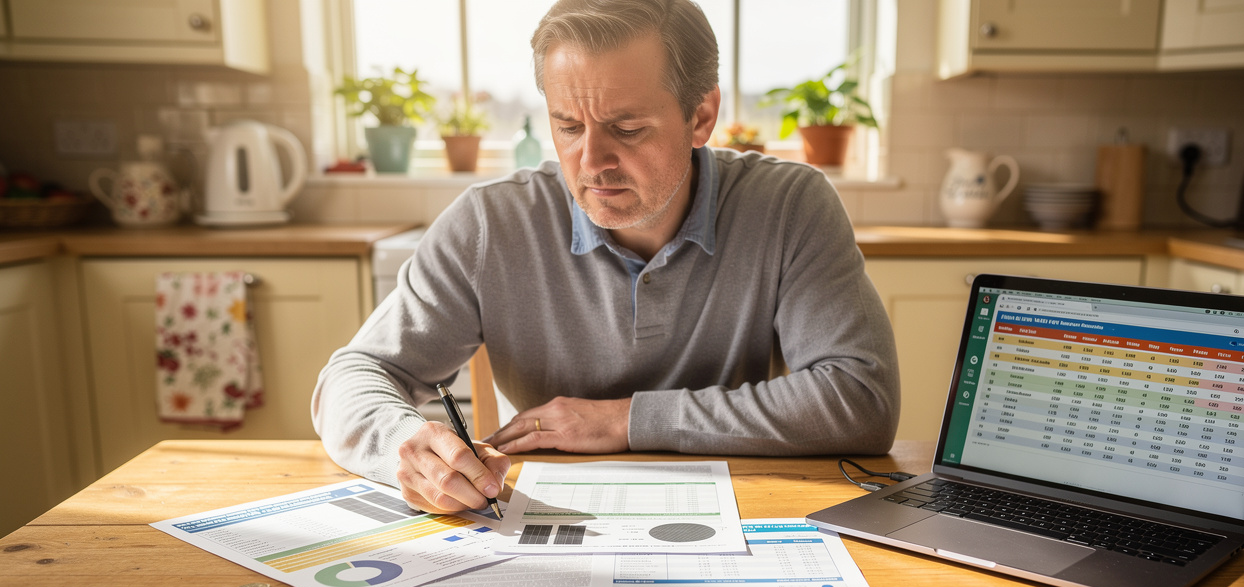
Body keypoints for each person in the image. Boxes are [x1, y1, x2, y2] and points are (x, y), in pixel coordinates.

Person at [312, 0, 899, 515]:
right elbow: (352, 377)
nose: (591, 161)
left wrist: (622, 420)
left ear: (701, 116)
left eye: (627, 127)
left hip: (744, 511)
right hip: (542, 520)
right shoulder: (490, 222)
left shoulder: (790, 205)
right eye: (568, 126)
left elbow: (861, 399)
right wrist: (406, 443)